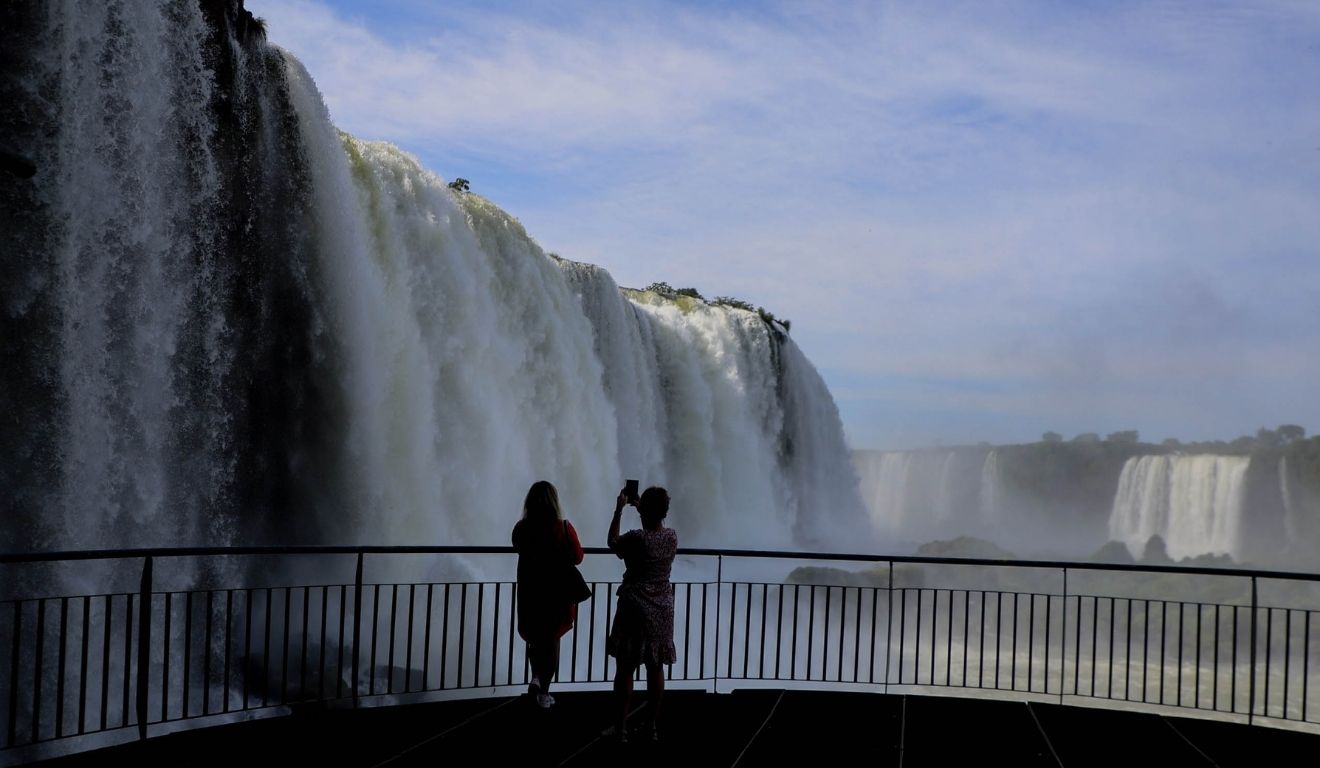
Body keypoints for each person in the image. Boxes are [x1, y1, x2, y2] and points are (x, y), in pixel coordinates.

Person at [604, 485, 677, 742]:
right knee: (655, 667)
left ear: (645, 510)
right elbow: (653, 526)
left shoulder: (637, 538)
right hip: (662, 607)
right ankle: (651, 727)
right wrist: (640, 506)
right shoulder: (671, 537)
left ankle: (621, 729)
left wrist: (619, 510)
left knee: (625, 667)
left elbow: (613, 542)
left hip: (635, 606)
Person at [511, 480, 584, 709]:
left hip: (531, 591)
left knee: (535, 637)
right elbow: (578, 557)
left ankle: (535, 676)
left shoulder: (522, 527)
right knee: (551, 642)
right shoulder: (563, 527)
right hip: (556, 593)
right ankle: (544, 692)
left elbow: (516, 545)